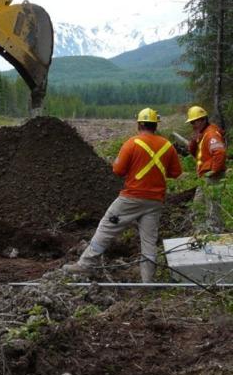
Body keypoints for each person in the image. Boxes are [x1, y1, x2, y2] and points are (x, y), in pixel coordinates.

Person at [62, 108, 182, 282]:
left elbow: (118, 170)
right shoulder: (167, 145)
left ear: (139, 124)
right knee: (149, 241)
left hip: (131, 198)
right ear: (156, 124)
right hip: (155, 201)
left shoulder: (132, 143)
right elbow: (176, 172)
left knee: (106, 227)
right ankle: (147, 281)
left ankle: (85, 265)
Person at [185, 105, 227, 231]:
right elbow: (197, 153)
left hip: (211, 176)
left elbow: (220, 153)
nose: (192, 125)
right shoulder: (203, 134)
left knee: (212, 208)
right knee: (198, 207)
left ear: (202, 120)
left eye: (194, 122)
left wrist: (214, 171)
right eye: (191, 122)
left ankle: (215, 234)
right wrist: (194, 140)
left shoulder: (211, 134)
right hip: (205, 176)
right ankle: (201, 233)